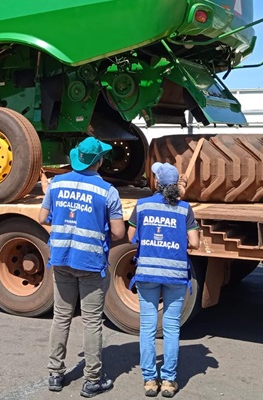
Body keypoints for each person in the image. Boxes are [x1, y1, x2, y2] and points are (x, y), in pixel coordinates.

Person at [38, 137, 125, 398]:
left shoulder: (57, 184)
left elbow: (42, 218)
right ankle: (92, 380)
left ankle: (55, 374)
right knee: (91, 322)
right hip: (90, 263)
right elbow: (119, 232)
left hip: (62, 259)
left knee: (61, 317)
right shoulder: (107, 191)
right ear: (99, 161)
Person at [127, 162, 200, 398]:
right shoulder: (184, 209)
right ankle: (169, 380)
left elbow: (131, 237)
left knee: (147, 328)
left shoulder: (142, 205)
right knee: (171, 328)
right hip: (176, 277)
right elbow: (195, 243)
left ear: (156, 183)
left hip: (147, 274)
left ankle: (149, 380)